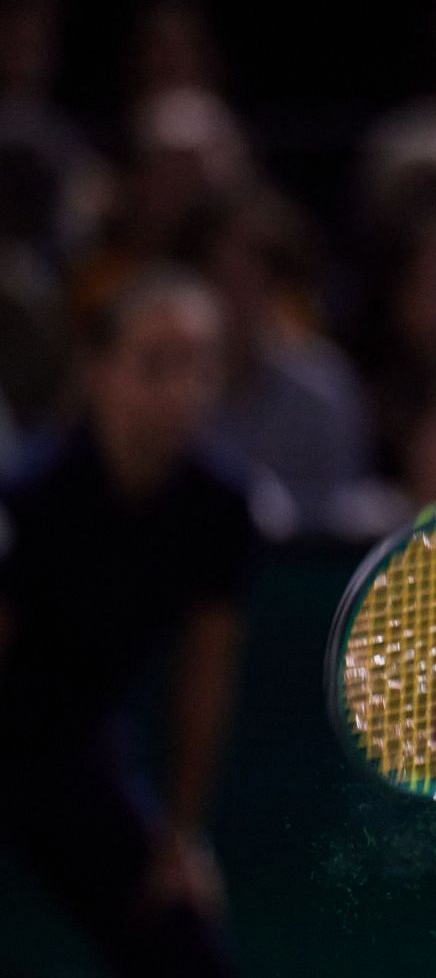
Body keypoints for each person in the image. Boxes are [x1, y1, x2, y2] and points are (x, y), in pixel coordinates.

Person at [0, 270, 254, 976]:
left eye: (199, 367)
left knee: (185, 946)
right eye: (156, 364)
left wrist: (179, 838)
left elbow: (206, 676)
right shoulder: (32, 500)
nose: (180, 390)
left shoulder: (219, 507)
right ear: (100, 372)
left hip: (76, 755)